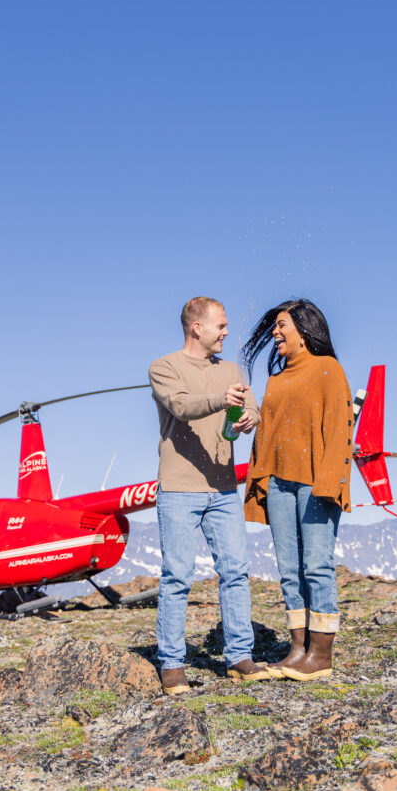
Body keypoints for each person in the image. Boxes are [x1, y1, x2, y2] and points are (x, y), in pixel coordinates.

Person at [149, 296, 273, 694]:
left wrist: (251, 416)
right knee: (178, 576)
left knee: (235, 570)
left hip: (222, 490)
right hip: (179, 489)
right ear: (196, 327)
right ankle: (172, 663)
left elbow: (251, 410)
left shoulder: (233, 370)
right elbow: (181, 406)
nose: (226, 332)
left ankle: (239, 657)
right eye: (220, 325)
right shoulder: (164, 367)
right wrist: (222, 400)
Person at [242, 298, 353, 681]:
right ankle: (298, 648)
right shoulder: (277, 378)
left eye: (282, 325)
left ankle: (321, 654)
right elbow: (267, 434)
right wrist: (260, 478)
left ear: (304, 330)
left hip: (314, 483)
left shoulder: (328, 370)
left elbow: (340, 430)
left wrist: (330, 483)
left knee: (317, 566)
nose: (275, 332)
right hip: (278, 483)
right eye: (274, 327)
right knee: (289, 570)